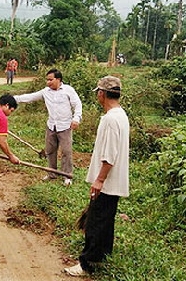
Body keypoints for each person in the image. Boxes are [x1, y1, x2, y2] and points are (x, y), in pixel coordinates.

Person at [64, 76, 129, 277]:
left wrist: (100, 179)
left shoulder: (110, 120)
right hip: (114, 181)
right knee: (106, 220)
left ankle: (87, 263)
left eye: (98, 93)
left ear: (101, 94)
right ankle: (102, 255)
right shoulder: (121, 115)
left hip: (107, 181)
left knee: (95, 222)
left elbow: (109, 155)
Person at [14, 68, 82, 185]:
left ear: (58, 79)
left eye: (50, 80)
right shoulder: (46, 92)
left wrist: (76, 118)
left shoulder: (68, 90)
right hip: (51, 126)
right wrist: (13, 99)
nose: (48, 82)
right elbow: (30, 97)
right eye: (47, 80)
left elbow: (77, 104)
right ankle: (52, 173)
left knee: (66, 151)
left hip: (65, 126)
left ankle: (67, 176)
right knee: (50, 151)